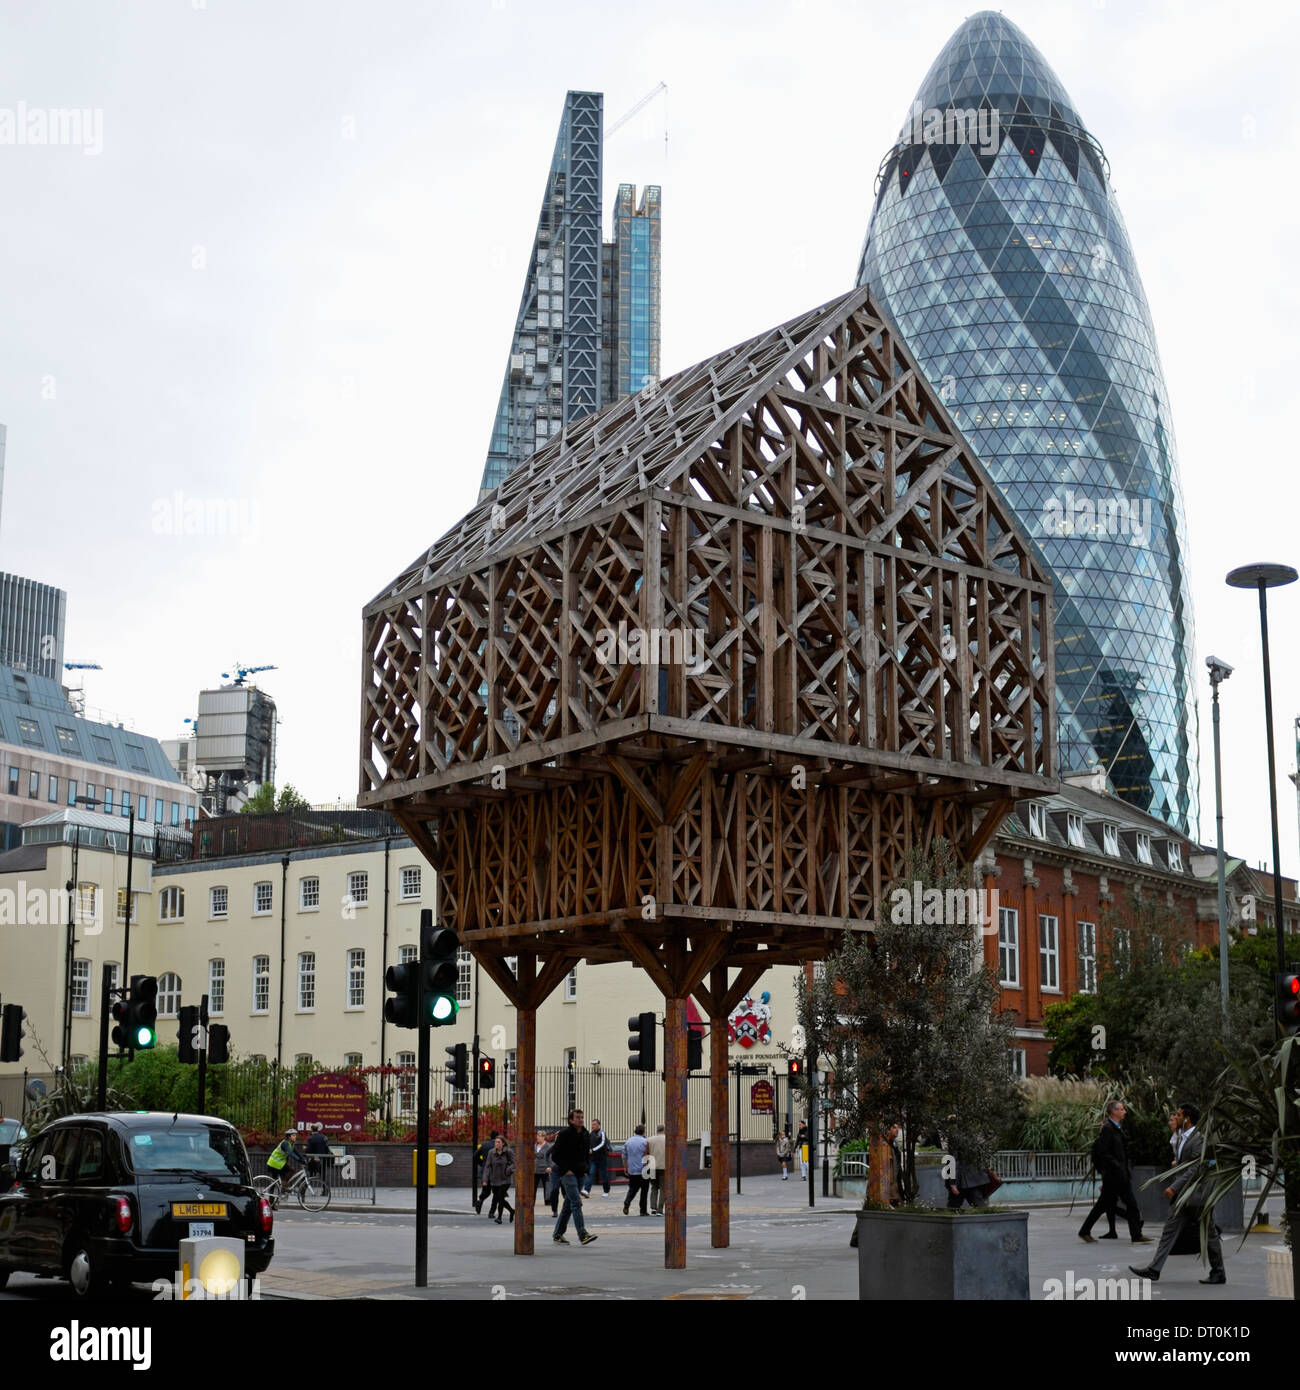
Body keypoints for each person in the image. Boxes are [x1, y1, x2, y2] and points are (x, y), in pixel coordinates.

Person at [1131, 1103, 1226, 1285]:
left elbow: (1196, 1167)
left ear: (1187, 1118)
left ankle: (1219, 1271)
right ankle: (1154, 1269)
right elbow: (1187, 1163)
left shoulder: (1198, 1139)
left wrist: (1174, 1186)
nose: (1177, 1116)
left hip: (1195, 1195)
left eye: (1180, 1115)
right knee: (1169, 1231)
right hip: (1183, 1197)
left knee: (1209, 1233)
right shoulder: (1183, 1137)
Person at [1079, 1100, 1149, 1244]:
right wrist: (1116, 1166)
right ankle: (1085, 1231)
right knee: (1116, 1204)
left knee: (1121, 1204)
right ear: (1114, 1112)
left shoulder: (1116, 1128)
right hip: (1113, 1176)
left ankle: (1136, 1235)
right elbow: (1103, 1152)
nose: (1124, 1112)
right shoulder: (1108, 1129)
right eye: (1122, 1109)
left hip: (1120, 1175)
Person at [550, 1108, 598, 1246]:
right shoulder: (565, 1134)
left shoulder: (585, 1133)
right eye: (577, 1117)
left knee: (568, 1205)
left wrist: (586, 1169)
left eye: (582, 1117)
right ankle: (582, 1234)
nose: (580, 1119)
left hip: (580, 1173)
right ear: (571, 1120)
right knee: (576, 1202)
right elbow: (555, 1155)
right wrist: (566, 1170)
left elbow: (586, 1153)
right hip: (567, 1174)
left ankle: (558, 1234)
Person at [483, 1135, 516, 1224]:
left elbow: (515, 1163)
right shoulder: (491, 1152)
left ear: (503, 1143)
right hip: (494, 1180)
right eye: (495, 1142)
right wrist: (485, 1179)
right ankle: (512, 1211)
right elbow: (487, 1166)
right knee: (499, 1198)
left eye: (498, 1142)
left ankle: (499, 1217)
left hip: (505, 1179)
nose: (496, 1144)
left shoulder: (508, 1152)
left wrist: (509, 1170)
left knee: (500, 1197)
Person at [622, 1123, 649, 1215]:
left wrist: (625, 1167)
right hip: (643, 1169)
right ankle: (643, 1210)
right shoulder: (645, 1142)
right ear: (643, 1131)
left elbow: (624, 1156)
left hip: (632, 1169)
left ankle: (627, 1201)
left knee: (632, 1189)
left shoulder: (628, 1141)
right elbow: (647, 1155)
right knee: (644, 1191)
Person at [474, 1130, 499, 1214]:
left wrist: (482, 1164)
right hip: (496, 1172)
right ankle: (491, 1212)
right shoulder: (499, 1146)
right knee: (496, 1193)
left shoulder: (484, 1145)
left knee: (486, 1191)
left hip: (485, 1172)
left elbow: (475, 1156)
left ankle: (480, 1201)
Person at [584, 1119, 611, 1196]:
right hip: (593, 1158)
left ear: (599, 1125)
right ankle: (586, 1190)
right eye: (592, 1124)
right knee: (591, 1173)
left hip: (602, 1158)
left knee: (604, 1174)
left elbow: (603, 1143)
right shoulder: (591, 1134)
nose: (593, 1126)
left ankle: (606, 1191)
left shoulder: (602, 1133)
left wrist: (593, 1150)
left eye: (594, 1124)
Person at [646, 1123, 666, 1215]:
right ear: (664, 1130)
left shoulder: (649, 1139)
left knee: (654, 1187)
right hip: (664, 1166)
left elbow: (646, 1152)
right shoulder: (668, 1139)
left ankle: (653, 1208)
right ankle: (660, 1210)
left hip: (652, 1166)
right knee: (663, 1188)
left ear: (657, 1130)